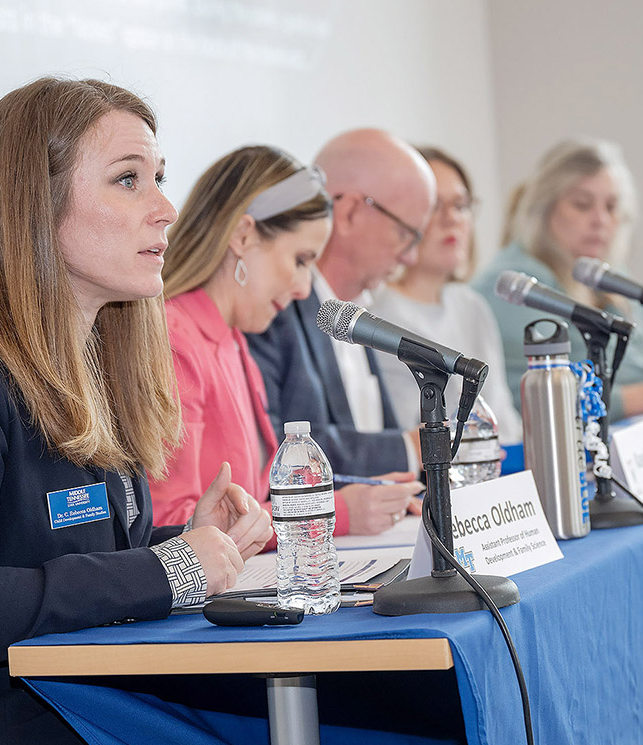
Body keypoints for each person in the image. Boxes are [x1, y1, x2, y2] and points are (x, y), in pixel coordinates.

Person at [0, 77, 272, 745]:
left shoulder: (99, 364)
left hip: (94, 724)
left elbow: (65, 552)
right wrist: (168, 570)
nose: (166, 210)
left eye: (159, 179)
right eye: (129, 181)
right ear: (33, 206)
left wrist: (195, 545)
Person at [152, 146, 423, 534]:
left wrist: (360, 495)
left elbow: (255, 499)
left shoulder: (232, 340)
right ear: (243, 236)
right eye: (301, 260)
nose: (303, 288)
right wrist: (334, 514)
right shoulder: (177, 339)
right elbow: (175, 525)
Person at [249, 129, 436, 475]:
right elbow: (278, 451)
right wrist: (409, 449)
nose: (410, 257)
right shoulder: (268, 310)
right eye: (405, 233)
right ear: (349, 212)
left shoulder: (357, 312)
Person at [474, 137, 643, 421]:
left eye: (611, 207)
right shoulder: (512, 285)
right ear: (544, 209)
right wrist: (642, 397)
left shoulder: (608, 274)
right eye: (582, 205)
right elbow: (537, 394)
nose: (600, 220)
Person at [369, 146, 522, 444]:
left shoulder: (472, 306)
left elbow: (503, 419)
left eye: (461, 205)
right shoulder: (382, 316)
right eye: (434, 206)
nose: (451, 218)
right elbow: (406, 432)